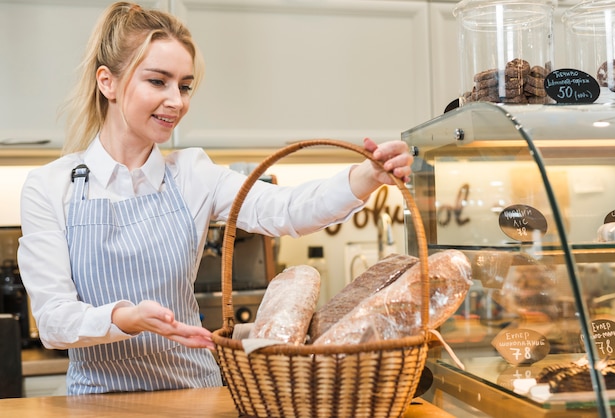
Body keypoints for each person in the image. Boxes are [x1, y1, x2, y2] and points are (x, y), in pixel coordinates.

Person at [17, 1, 413, 395]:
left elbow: (286, 209)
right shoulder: (50, 186)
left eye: (185, 86)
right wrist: (129, 317)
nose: (177, 100)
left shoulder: (192, 174)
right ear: (108, 83)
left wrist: (367, 175)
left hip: (196, 395)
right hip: (97, 402)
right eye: (158, 81)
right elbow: (54, 322)